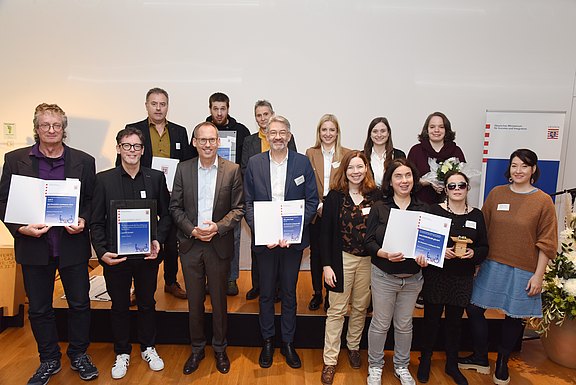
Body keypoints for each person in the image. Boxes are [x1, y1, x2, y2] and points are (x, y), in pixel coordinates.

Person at [0, 103, 98, 385]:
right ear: (37, 128)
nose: (52, 130)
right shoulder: (15, 159)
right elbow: (3, 202)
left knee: (80, 304)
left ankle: (79, 354)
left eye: (57, 125)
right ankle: (49, 359)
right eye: (46, 125)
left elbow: (91, 201)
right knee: (40, 308)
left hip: (72, 246)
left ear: (64, 129)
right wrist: (21, 228)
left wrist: (83, 220)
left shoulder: (84, 160)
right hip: (34, 247)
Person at [458, 149, 557, 385]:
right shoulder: (497, 193)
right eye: (514, 165)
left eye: (524, 166)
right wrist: (476, 261)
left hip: (523, 269)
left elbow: (547, 242)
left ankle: (502, 362)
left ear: (533, 169)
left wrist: (539, 275)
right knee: (473, 308)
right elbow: (483, 228)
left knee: (514, 317)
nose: (519, 170)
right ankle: (481, 356)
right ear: (509, 169)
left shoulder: (543, 201)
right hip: (491, 264)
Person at [91, 127, 171, 379]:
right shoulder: (104, 180)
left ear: (143, 150)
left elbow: (166, 216)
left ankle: (148, 347)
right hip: (116, 258)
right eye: (127, 146)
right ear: (118, 148)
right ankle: (122, 352)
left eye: (136, 146)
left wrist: (157, 241)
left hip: (147, 256)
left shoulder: (155, 178)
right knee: (120, 305)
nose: (132, 151)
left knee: (147, 303)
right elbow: (96, 221)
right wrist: (102, 252)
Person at [170, 122, 245, 375]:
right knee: (194, 301)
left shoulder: (232, 170)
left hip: (218, 245)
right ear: (194, 142)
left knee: (219, 302)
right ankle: (197, 348)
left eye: (212, 140)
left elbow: (238, 209)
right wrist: (192, 230)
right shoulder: (183, 169)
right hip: (191, 245)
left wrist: (217, 227)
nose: (207, 144)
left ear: (219, 142)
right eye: (202, 140)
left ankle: (220, 349)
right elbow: (175, 208)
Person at [244, 115, 318, 369]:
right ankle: (267, 341)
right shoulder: (254, 163)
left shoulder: (302, 163)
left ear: (289, 135)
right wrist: (262, 230)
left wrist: (294, 232)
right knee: (265, 293)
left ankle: (287, 341)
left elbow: (311, 201)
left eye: (282, 132)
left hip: (292, 243)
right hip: (265, 243)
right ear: (266, 134)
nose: (277, 137)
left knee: (288, 292)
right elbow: (248, 203)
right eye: (272, 132)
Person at [416, 171, 489, 385]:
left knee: (455, 323)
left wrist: (474, 254)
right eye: (452, 186)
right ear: (445, 190)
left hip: (462, 277)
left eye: (461, 185)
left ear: (467, 188)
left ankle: (451, 364)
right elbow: (423, 243)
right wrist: (440, 251)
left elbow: (485, 246)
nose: (457, 189)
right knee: (431, 321)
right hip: (437, 275)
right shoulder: (435, 211)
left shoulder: (476, 215)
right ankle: (425, 360)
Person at [121, 87, 193, 299]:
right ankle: (136, 287)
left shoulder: (180, 131)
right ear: (146, 105)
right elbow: (124, 162)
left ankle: (170, 281)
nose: (158, 108)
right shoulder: (133, 129)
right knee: (139, 239)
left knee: (171, 242)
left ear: (167, 106)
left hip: (171, 194)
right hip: (143, 191)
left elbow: (187, 163)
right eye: (154, 104)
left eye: (163, 104)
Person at [365, 158, 429, 385]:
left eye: (408, 176)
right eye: (398, 176)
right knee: (381, 324)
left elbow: (428, 246)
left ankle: (401, 366)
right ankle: (375, 366)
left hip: (412, 278)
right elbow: (369, 242)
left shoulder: (423, 209)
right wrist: (383, 253)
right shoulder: (380, 208)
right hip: (384, 276)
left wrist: (426, 258)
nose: (404, 181)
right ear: (390, 182)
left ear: (414, 179)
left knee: (404, 325)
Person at [319, 151, 379, 385]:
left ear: (366, 169)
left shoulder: (375, 195)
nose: (356, 171)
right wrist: (326, 265)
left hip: (368, 261)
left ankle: (353, 347)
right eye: (351, 167)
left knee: (361, 307)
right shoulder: (335, 197)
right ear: (344, 171)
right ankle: (330, 360)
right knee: (336, 310)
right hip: (340, 259)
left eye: (360, 167)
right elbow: (325, 235)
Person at [241, 100, 296, 301]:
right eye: (259, 115)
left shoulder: (286, 138)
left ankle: (280, 289)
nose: (262, 118)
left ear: (272, 114)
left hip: (284, 206)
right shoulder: (250, 141)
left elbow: (293, 165)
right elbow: (245, 167)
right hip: (261, 201)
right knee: (260, 250)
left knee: (283, 252)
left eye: (266, 114)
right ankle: (259, 286)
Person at [205, 92, 251, 296]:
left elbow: (246, 163)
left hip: (233, 190)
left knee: (234, 235)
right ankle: (209, 279)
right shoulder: (202, 130)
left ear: (228, 108)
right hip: (207, 191)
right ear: (210, 109)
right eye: (215, 108)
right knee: (207, 235)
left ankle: (231, 279)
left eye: (223, 108)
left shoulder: (241, 131)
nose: (219, 112)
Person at [306, 114, 351, 311]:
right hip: (315, 212)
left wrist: (330, 207)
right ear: (319, 132)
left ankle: (330, 293)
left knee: (332, 255)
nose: (328, 133)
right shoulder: (310, 153)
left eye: (332, 130)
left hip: (337, 213)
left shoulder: (347, 153)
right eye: (324, 130)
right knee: (316, 254)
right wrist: (316, 206)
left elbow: (348, 184)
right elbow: (307, 183)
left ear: (337, 132)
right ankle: (317, 293)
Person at [407, 112, 465, 204]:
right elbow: (407, 179)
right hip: (420, 205)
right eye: (432, 127)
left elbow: (462, 180)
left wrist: (446, 184)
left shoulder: (456, 151)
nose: (436, 130)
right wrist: (428, 182)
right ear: (427, 130)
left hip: (450, 205)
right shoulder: (416, 151)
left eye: (441, 127)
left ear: (446, 130)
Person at [363, 117, 406, 187]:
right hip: (369, 197)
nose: (379, 135)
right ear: (370, 134)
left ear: (388, 133)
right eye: (375, 131)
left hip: (393, 197)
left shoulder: (399, 155)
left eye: (383, 131)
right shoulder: (362, 156)